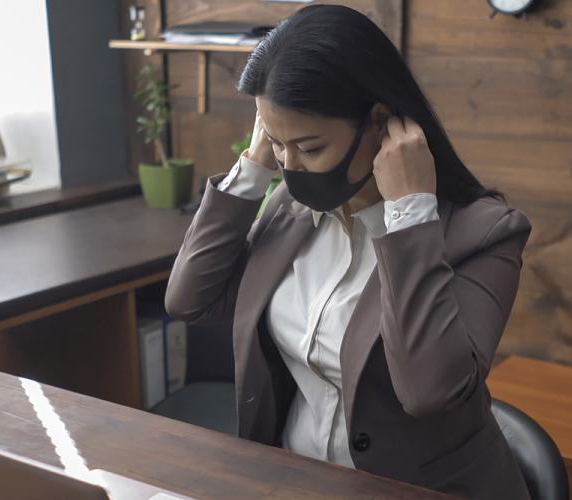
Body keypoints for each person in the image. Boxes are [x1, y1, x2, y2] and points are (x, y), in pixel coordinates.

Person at [165, 5, 531, 499]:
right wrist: (255, 165)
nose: (292, 168)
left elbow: (428, 392)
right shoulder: (288, 208)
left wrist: (409, 215)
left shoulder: (485, 234)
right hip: (300, 480)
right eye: (279, 145)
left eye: (311, 148)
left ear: (381, 122)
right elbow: (188, 300)